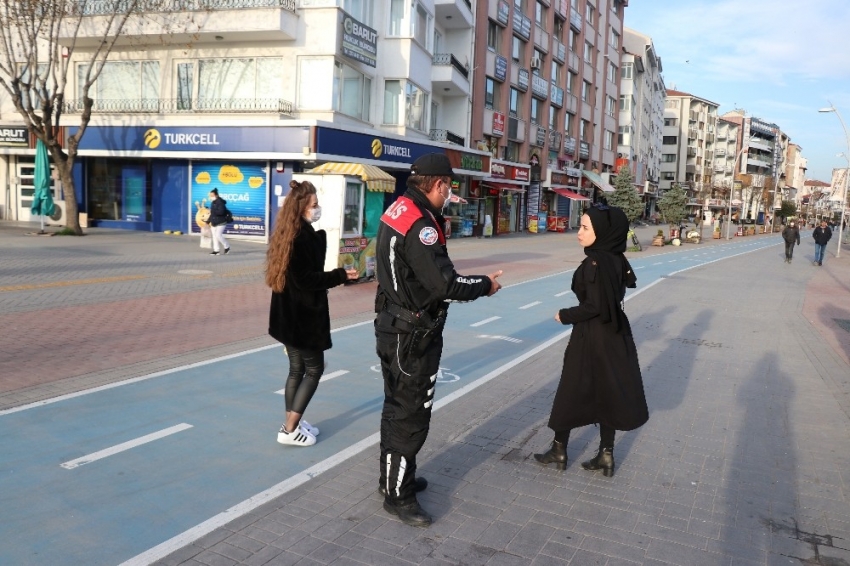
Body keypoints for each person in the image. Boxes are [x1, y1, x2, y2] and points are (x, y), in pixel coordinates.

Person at [374, 153, 503, 527]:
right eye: (449, 187)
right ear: (439, 184)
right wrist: (485, 285)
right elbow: (445, 283)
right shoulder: (421, 225)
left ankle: (395, 479)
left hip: (393, 325)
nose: (449, 194)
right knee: (410, 413)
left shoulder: (400, 208)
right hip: (411, 334)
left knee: (396, 406)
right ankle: (398, 496)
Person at [534, 203, 648, 477]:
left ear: (603, 231)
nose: (579, 232)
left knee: (571, 390)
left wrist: (565, 314)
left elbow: (593, 306)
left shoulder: (593, 263)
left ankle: (559, 449)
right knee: (608, 391)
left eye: (585, 227)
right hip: (615, 334)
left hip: (591, 335)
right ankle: (606, 454)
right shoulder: (616, 258)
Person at [266, 180, 358, 447]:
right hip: (303, 318)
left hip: (287, 315)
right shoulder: (302, 237)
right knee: (315, 369)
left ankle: (291, 422)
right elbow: (307, 279)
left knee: (297, 369)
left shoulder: (286, 232)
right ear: (301, 208)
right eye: (314, 205)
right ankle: (290, 429)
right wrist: (340, 275)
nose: (317, 210)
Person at [208, 188, 231, 256]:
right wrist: (208, 221)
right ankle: (216, 250)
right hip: (214, 222)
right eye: (210, 195)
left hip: (221, 221)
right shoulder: (213, 202)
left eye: (212, 195)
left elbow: (221, 212)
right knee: (214, 236)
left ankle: (227, 246)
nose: (211, 197)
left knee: (218, 235)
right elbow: (212, 213)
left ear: (216, 195)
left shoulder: (220, 202)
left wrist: (214, 211)